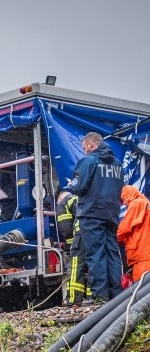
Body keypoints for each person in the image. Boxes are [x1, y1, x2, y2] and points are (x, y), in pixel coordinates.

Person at [65, 131, 124, 303]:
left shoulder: (88, 161)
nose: (84, 151)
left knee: (95, 254)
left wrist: (71, 184)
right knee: (112, 254)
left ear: (91, 144)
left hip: (91, 213)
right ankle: (116, 295)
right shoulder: (117, 164)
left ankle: (99, 296)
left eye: (84, 147)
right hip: (111, 214)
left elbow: (78, 187)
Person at [56, 190, 88, 306]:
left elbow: (66, 229)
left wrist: (70, 246)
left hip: (80, 232)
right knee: (91, 265)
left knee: (75, 265)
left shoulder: (62, 203)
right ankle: (92, 297)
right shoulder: (79, 199)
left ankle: (73, 300)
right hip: (94, 231)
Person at [117, 185, 150, 281]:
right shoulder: (145, 203)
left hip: (142, 254)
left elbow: (124, 227)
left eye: (122, 199)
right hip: (145, 253)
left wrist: (111, 239)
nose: (123, 203)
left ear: (126, 195)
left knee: (141, 290)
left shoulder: (136, 204)